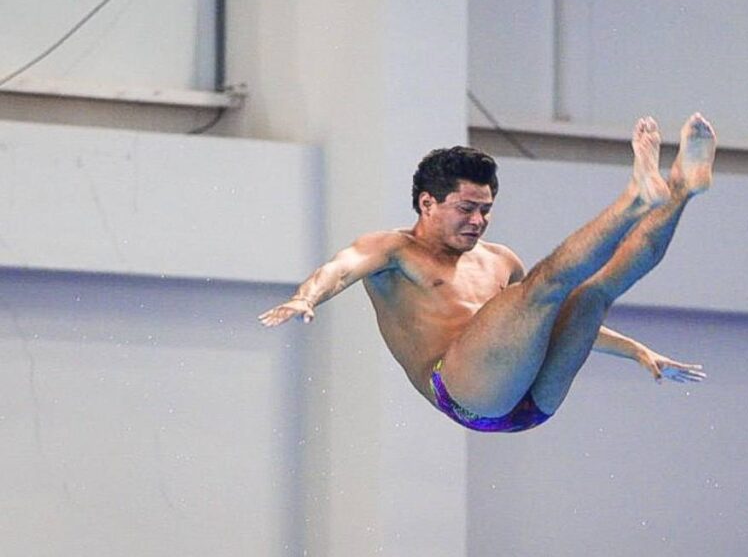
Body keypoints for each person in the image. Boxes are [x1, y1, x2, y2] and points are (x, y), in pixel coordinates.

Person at [259, 113, 714, 432]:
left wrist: (639, 353)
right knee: (544, 286)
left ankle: (682, 190)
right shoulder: (394, 250)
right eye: (465, 209)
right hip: (464, 394)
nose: (477, 221)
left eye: (486, 210)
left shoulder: (499, 259)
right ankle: (635, 197)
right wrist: (307, 296)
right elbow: (341, 269)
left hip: (533, 405)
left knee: (593, 295)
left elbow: (543, 326)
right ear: (426, 203)